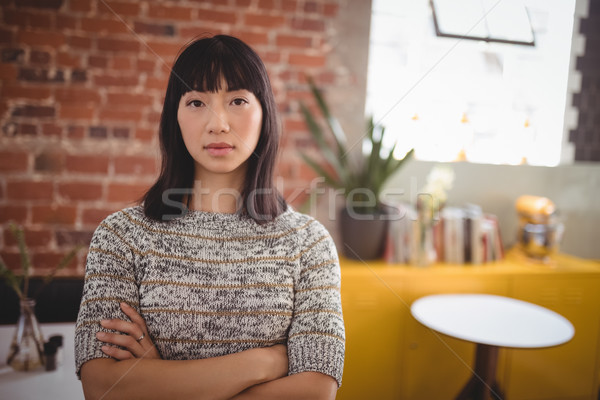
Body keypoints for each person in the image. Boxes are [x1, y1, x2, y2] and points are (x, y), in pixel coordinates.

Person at [75, 34, 345, 400]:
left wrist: (158, 379)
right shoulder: (120, 236)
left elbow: (315, 391)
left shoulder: (309, 243)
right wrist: (263, 363)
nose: (218, 123)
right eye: (197, 101)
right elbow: (102, 386)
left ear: (264, 113)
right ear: (176, 116)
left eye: (237, 100)